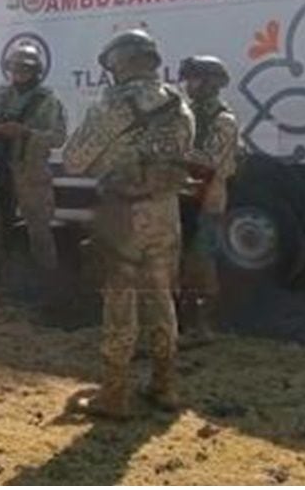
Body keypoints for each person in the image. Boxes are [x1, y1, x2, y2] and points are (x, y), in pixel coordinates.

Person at [63, 29, 194, 420]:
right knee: (161, 298)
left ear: (122, 63)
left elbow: (73, 159)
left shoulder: (113, 106)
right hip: (166, 212)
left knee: (120, 302)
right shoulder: (180, 104)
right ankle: (165, 384)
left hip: (124, 215)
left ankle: (115, 394)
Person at [0, 44, 68, 318]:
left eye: (25, 69)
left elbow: (58, 137)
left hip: (32, 176)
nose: (19, 73)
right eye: (15, 68)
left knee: (40, 236)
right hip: (0, 174)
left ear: (36, 71)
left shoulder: (47, 101)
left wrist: (26, 133)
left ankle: (50, 295)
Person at [177, 56, 239, 348]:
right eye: (188, 79)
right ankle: (183, 323)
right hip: (184, 196)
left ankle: (204, 327)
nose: (190, 85)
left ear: (212, 83)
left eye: (196, 79)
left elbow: (211, 160)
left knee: (201, 263)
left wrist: (174, 153)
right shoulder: (187, 114)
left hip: (208, 200)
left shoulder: (223, 121)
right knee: (179, 261)